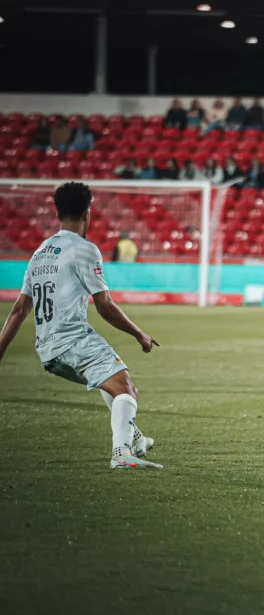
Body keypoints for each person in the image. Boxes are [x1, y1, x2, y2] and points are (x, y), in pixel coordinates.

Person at [0, 182, 162, 469]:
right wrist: (139, 334)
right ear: (87, 213)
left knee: (107, 379)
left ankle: (135, 437)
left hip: (48, 351)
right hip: (73, 340)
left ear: (58, 213)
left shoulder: (40, 253)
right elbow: (105, 305)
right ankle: (122, 454)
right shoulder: (84, 249)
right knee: (126, 387)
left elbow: (18, 310)